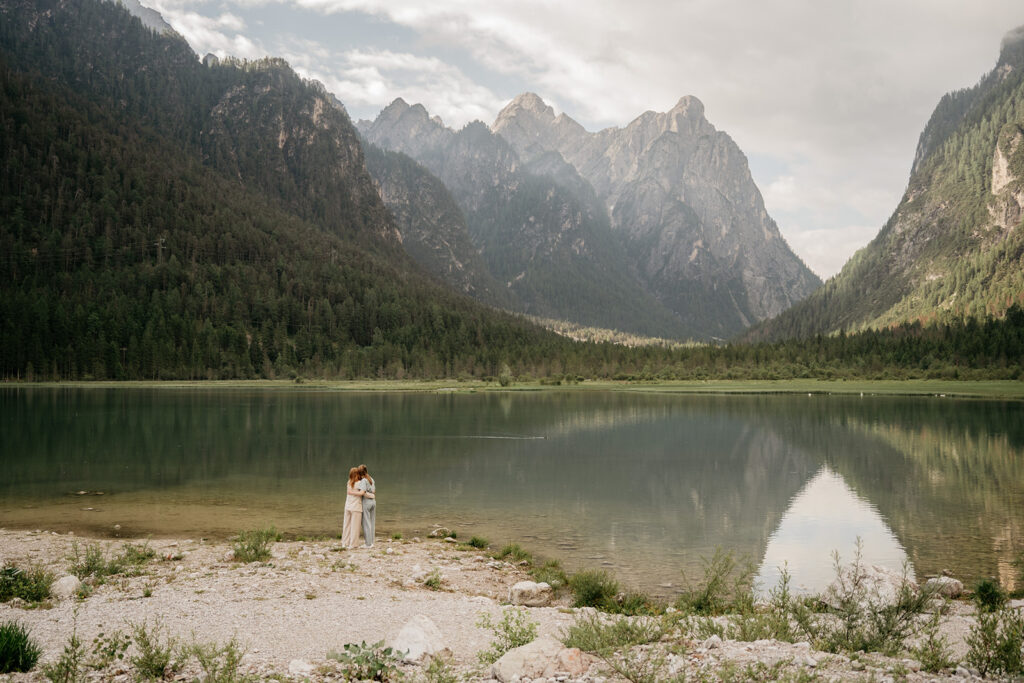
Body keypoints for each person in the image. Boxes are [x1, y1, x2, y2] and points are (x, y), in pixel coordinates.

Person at [341, 467, 366, 548]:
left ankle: (345, 543)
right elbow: (362, 493)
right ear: (357, 474)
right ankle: (353, 544)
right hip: (356, 507)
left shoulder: (349, 482)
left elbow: (349, 492)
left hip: (348, 506)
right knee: (355, 527)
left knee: (346, 525)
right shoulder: (360, 483)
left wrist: (351, 492)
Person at [357, 464, 376, 547]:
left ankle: (368, 544)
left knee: (366, 523)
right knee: (372, 522)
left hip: (367, 503)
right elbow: (374, 491)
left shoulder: (363, 481)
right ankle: (372, 542)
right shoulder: (371, 479)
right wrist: (371, 495)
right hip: (373, 502)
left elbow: (362, 492)